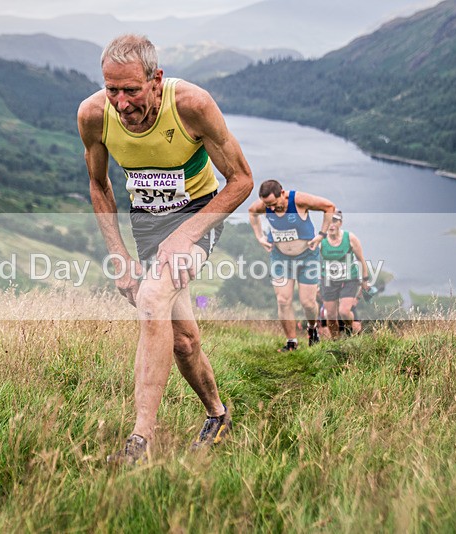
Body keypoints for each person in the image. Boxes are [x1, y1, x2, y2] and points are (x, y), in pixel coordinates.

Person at [77, 34, 253, 465]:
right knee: (184, 341)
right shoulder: (94, 115)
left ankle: (140, 440)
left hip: (198, 215)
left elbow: (242, 180)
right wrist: (119, 255)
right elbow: (99, 185)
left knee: (153, 299)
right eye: (111, 89)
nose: (120, 103)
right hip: (147, 225)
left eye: (131, 90)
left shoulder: (192, 105)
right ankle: (218, 415)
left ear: (156, 80)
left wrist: (186, 234)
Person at [248, 180, 335, 351]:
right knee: (282, 300)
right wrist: (259, 237)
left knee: (308, 303)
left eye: (274, 204)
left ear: (282, 193)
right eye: (267, 206)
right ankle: (291, 342)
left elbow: (329, 207)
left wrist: (322, 235)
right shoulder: (265, 204)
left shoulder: (299, 200)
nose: (271, 209)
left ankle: (312, 329)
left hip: (307, 257)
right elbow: (252, 212)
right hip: (280, 258)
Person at [320, 210, 370, 338]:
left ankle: (349, 329)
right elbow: (312, 259)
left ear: (340, 223)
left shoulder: (350, 238)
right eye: (329, 221)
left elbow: (361, 260)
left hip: (349, 279)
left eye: (335, 221)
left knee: (343, 311)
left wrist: (365, 280)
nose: (331, 225)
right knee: (330, 315)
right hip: (329, 280)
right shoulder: (321, 240)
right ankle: (337, 342)